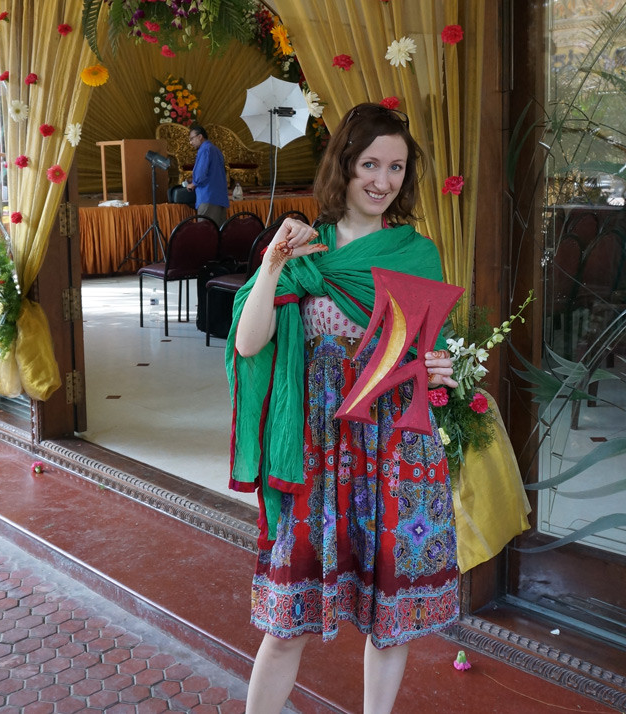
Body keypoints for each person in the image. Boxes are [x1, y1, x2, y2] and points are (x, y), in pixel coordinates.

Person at [226, 103, 460, 714]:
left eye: (397, 167)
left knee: (391, 617)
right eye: (370, 165)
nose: (383, 181)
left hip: (391, 450)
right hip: (315, 450)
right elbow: (250, 343)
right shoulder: (305, 249)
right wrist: (274, 263)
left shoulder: (417, 255)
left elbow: (423, 361)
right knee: (286, 623)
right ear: (345, 167)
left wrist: (439, 374)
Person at [186, 123, 230, 227]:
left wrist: (193, 184)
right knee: (219, 234)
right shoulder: (216, 149)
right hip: (220, 197)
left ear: (200, 137)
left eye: (192, 139)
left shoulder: (204, 149)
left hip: (208, 197)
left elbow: (201, 174)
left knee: (206, 233)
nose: (190, 142)